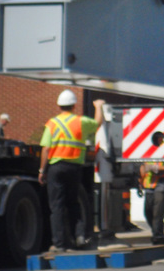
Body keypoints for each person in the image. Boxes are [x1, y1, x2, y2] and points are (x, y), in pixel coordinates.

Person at [38, 90, 105, 252]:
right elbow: (98, 123)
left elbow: (46, 149)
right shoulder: (80, 121)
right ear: (74, 105)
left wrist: (42, 170)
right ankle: (79, 237)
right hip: (74, 168)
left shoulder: (52, 123)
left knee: (57, 207)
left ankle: (60, 244)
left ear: (59, 106)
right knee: (73, 203)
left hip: (56, 168)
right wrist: (98, 106)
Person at [139, 132, 164, 245]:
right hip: (149, 185)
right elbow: (143, 165)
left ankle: (158, 236)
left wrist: (154, 168)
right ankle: (158, 233)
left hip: (161, 184)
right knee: (148, 212)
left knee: (158, 213)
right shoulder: (148, 148)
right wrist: (141, 179)